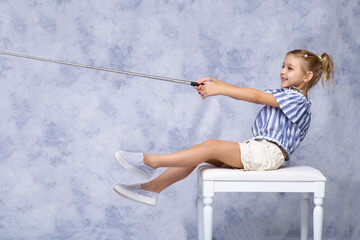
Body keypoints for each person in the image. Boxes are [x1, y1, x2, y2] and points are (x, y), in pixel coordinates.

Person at [113, 49, 334, 206]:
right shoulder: (285, 94)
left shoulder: (298, 100)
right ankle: (151, 189)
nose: (283, 71)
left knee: (210, 146)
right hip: (258, 150)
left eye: (290, 68)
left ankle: (151, 162)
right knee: (199, 151)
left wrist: (219, 90)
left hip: (267, 154)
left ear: (307, 76)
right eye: (282, 66)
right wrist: (217, 83)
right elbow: (248, 90)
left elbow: (255, 96)